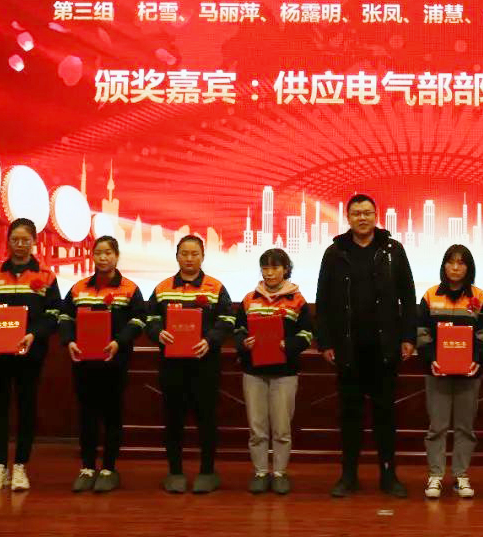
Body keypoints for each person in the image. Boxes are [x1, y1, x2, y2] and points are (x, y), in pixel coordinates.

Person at [315, 193, 417, 498]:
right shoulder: (335, 253)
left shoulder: (393, 250)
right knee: (350, 416)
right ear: (348, 218)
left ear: (376, 216)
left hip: (384, 349)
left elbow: (408, 297)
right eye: (356, 213)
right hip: (348, 350)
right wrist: (325, 342)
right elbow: (322, 301)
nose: (362, 218)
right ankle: (348, 475)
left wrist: (408, 337)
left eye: (367, 212)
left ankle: (389, 475)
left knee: (385, 415)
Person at [0, 217, 62, 491]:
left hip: (30, 355)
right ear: (8, 242)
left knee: (26, 408)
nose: (20, 244)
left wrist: (34, 334)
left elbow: (54, 314)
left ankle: (20, 465)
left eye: (25, 240)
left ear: (34, 242)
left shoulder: (46, 276)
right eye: (15, 240)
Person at [144, 234, 235, 494]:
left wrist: (211, 340)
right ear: (177, 256)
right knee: (173, 419)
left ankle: (207, 472)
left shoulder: (215, 288)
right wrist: (158, 333)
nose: (189, 258)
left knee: (207, 418)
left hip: (204, 364)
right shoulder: (163, 288)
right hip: (172, 366)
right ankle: (175, 472)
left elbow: (228, 320)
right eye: (184, 253)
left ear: (203, 257)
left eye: (195, 254)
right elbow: (149, 318)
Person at [58, 235, 146, 493]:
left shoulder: (129, 289)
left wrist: (119, 342)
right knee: (86, 415)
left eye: (108, 253)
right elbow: (65, 317)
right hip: (83, 362)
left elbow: (138, 321)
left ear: (116, 256)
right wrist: (69, 341)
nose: (103, 257)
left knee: (112, 415)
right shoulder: (78, 288)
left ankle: (108, 468)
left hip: (114, 362)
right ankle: (87, 467)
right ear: (93, 256)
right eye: (98, 253)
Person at [234, 248, 314, 496]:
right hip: (253, 372)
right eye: (265, 268)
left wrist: (288, 345)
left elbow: (307, 335)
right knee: (257, 427)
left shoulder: (297, 300)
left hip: (284, 373)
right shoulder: (249, 299)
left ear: (286, 269)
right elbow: (238, 330)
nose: (269, 273)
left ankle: (279, 473)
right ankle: (260, 472)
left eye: (275, 267)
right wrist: (244, 343)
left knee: (281, 428)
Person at [416, 244, 483, 500]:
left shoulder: (478, 297)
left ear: (469, 267)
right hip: (437, 372)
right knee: (437, 427)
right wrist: (431, 359)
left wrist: (477, 360)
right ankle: (435, 475)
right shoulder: (431, 295)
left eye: (461, 263)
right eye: (451, 262)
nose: (456, 267)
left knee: (464, 428)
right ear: (444, 266)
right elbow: (421, 333)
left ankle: (461, 475)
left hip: (469, 374)